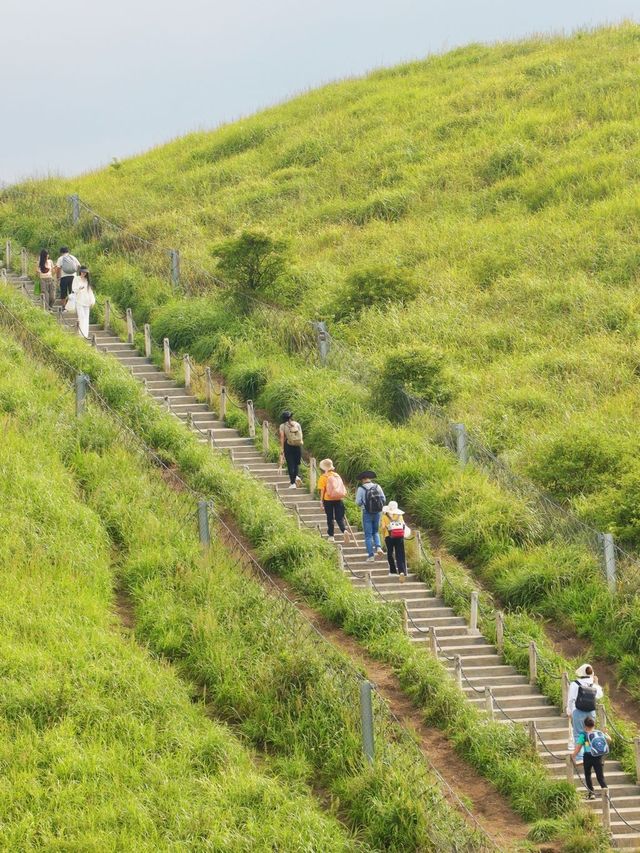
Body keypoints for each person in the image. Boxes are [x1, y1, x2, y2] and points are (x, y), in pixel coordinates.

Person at [566, 663, 603, 763]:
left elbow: (570, 699)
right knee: (590, 734)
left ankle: (580, 758)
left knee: (578, 734)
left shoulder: (575, 684)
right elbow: (599, 695)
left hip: (578, 711)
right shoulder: (593, 684)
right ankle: (592, 755)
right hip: (591, 712)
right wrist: (596, 683)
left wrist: (569, 711)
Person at [572, 716, 610, 799]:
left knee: (588, 775)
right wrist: (605, 733)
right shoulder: (599, 733)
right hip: (598, 757)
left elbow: (578, 747)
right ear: (594, 725)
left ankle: (591, 793)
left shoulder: (583, 734)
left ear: (585, 725)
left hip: (588, 756)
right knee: (600, 777)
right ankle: (607, 795)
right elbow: (609, 739)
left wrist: (573, 755)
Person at [355, 470, 386, 562]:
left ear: (363, 480)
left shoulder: (361, 489)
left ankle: (371, 556)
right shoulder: (377, 486)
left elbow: (357, 502)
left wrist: (363, 504)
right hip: (377, 512)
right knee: (375, 532)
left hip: (366, 512)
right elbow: (383, 499)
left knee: (368, 535)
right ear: (369, 478)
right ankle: (378, 547)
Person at [317, 459, 347, 542]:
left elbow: (322, 490)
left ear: (324, 468)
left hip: (328, 499)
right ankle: (344, 530)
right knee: (339, 517)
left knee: (330, 517)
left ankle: (331, 536)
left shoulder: (323, 477)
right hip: (339, 498)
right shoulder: (337, 475)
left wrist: (321, 502)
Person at [380, 500, 407, 581]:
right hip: (399, 536)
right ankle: (402, 571)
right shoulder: (399, 515)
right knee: (400, 553)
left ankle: (393, 571)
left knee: (390, 553)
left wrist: (384, 534)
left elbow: (383, 528)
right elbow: (403, 526)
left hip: (389, 536)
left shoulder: (384, 516)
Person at [278, 410, 303, 489]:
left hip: (288, 446)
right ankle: (296, 477)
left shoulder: (282, 426)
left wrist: (282, 448)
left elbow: (282, 437)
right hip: (298, 445)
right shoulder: (297, 424)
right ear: (291, 417)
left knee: (290, 464)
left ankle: (293, 483)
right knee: (296, 464)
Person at [72, 266, 95, 338]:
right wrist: (79, 288)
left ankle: (85, 334)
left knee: (86, 318)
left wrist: (92, 301)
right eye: (82, 272)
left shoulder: (87, 280)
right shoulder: (76, 278)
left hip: (87, 301)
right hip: (79, 301)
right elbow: (73, 289)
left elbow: (90, 291)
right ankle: (81, 334)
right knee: (81, 317)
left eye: (85, 272)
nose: (83, 273)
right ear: (80, 272)